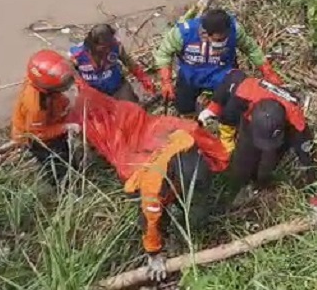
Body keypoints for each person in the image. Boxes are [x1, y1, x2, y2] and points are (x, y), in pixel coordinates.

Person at [67, 81, 230, 282]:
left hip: (186, 174)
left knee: (197, 208)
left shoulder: (184, 138)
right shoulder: (152, 186)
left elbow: (208, 145)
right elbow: (150, 220)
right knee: (156, 216)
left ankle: (192, 227)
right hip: (152, 175)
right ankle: (177, 233)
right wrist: (154, 254)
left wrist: (221, 164)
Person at [196, 69, 317, 218]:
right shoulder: (246, 91)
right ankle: (236, 188)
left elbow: (309, 160)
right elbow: (231, 78)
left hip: (280, 131)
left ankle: (261, 184)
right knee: (241, 163)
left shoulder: (296, 122)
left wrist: (315, 196)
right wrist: (213, 108)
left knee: (267, 165)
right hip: (251, 125)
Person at [153, 8, 283, 120]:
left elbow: (251, 49)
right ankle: (193, 122)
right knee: (183, 106)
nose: (222, 42)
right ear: (205, 33)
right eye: (218, 39)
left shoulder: (235, 30)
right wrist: (166, 81)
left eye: (225, 37)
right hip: (191, 75)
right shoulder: (182, 33)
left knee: (232, 109)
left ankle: (223, 124)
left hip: (223, 75)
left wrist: (267, 71)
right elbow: (164, 53)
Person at [10, 49, 82, 186]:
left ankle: (73, 174)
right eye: (63, 86)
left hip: (51, 119)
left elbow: (68, 67)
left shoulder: (40, 81)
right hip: (37, 137)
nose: (67, 87)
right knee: (58, 164)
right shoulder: (36, 106)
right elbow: (38, 134)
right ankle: (65, 189)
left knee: (67, 154)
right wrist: (66, 127)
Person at [69, 23, 155, 103]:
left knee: (132, 109)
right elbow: (69, 71)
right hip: (94, 92)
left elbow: (129, 63)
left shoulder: (116, 46)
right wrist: (79, 83)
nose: (107, 50)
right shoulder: (77, 54)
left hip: (118, 87)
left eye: (109, 46)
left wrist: (144, 79)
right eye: (103, 47)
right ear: (93, 44)